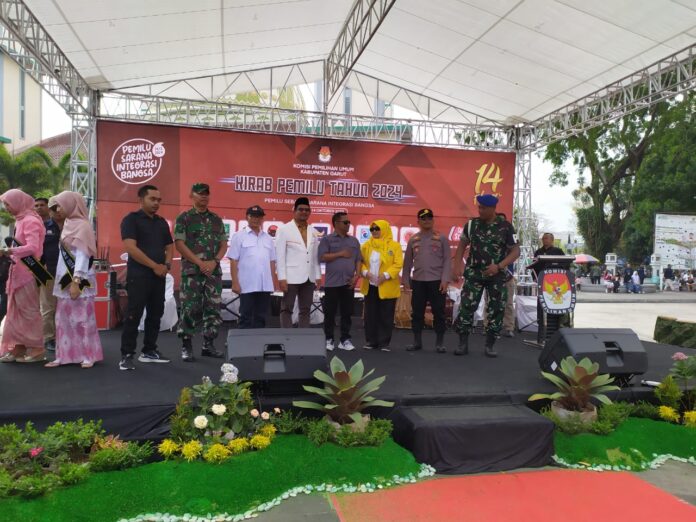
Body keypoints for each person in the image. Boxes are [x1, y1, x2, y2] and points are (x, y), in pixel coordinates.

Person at [452, 194, 520, 357]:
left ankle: (490, 345)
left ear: (492, 209)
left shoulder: (506, 227)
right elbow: (462, 245)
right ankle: (462, 344)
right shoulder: (471, 225)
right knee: (466, 307)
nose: (480, 210)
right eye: (479, 207)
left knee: (496, 309)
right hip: (474, 274)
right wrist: (456, 266)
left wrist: (499, 266)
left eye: (483, 208)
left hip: (496, 276)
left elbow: (516, 251)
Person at [43, 192, 103, 368]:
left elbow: (83, 256)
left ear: (72, 204)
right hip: (64, 278)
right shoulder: (68, 224)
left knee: (83, 318)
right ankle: (65, 355)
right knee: (63, 319)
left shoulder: (83, 226)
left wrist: (76, 281)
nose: (58, 209)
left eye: (60, 205)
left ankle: (88, 355)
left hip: (80, 279)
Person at [118, 185, 174, 371]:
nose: (156, 203)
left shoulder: (161, 222)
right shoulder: (131, 220)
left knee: (156, 314)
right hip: (139, 276)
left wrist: (166, 265)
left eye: (159, 200)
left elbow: (169, 246)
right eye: (152, 199)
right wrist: (154, 266)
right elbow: (131, 248)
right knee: (133, 315)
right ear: (140, 200)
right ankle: (127, 355)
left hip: (159, 276)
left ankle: (149, 350)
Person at [174, 183, 227, 362]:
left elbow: (223, 244)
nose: (204, 196)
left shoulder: (216, 219)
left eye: (206, 194)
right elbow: (179, 244)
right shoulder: (184, 218)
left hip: (213, 272)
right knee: (190, 308)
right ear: (192, 195)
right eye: (200, 193)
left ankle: (208, 344)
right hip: (192, 272)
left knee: (213, 308)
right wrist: (200, 263)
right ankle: (186, 345)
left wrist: (214, 261)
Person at [0, 189, 46, 363]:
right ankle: (19, 347)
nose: (6, 208)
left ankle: (37, 349)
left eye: (8, 204)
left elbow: (32, 247)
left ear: (18, 202)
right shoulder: (20, 220)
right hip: (18, 271)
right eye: (5, 204)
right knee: (15, 311)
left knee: (28, 311)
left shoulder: (30, 220)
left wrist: (9, 250)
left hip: (28, 272)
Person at [402, 208, 451, 353]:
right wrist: (405, 279)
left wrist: (445, 280)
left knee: (439, 312)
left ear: (433, 220)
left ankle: (440, 343)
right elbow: (407, 262)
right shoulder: (413, 239)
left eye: (429, 218)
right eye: (423, 218)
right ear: (418, 221)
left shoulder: (441, 238)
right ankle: (417, 342)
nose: (427, 221)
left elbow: (447, 261)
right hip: (418, 281)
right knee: (417, 313)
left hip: (437, 281)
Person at [275, 197, 322, 328]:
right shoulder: (284, 229)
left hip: (309, 277)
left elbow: (315, 256)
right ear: (294, 211)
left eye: (307, 210)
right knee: (287, 309)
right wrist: (282, 278)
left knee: (305, 309)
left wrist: (318, 275)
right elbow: (280, 256)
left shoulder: (313, 231)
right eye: (301, 209)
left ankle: (303, 336)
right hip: (290, 277)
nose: (304, 212)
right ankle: (287, 336)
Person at [227, 205, 276, 328]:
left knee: (261, 317)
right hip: (246, 285)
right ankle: (243, 340)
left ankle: (258, 340)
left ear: (262, 219)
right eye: (253, 216)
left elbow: (271, 262)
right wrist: (235, 283)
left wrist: (272, 282)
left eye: (259, 217)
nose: (256, 219)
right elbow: (233, 260)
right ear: (247, 217)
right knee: (245, 317)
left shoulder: (268, 238)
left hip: (264, 285)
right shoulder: (239, 236)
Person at [318, 212, 361, 351]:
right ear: (336, 223)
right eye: (345, 222)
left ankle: (345, 339)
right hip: (332, 283)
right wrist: (340, 254)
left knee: (347, 312)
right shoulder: (327, 239)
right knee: (330, 313)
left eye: (349, 222)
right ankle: (329, 339)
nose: (348, 224)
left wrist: (357, 276)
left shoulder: (354, 241)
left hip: (349, 281)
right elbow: (321, 257)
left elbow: (358, 260)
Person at [360, 220, 403, 351]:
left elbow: (398, 264)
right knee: (370, 315)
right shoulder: (366, 246)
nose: (374, 231)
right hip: (370, 285)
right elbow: (360, 263)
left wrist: (385, 275)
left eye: (377, 228)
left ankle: (384, 342)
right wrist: (366, 273)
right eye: (372, 229)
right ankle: (371, 341)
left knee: (386, 315)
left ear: (384, 229)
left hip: (387, 285)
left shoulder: (394, 246)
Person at [34, 197, 62, 353]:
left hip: (61, 270)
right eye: (36, 206)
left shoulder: (58, 224)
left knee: (60, 305)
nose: (39, 208)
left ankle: (60, 336)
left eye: (42, 205)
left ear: (48, 207)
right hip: (42, 271)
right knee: (47, 307)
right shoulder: (35, 226)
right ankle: (48, 338)